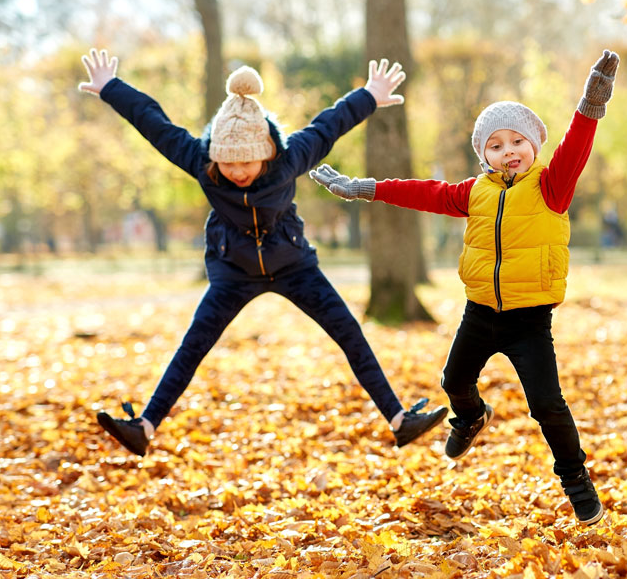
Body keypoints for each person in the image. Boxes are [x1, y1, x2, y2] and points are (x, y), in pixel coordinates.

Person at [78, 48, 448, 457]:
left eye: (247, 164)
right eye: (228, 164)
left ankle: (399, 419)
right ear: (215, 155)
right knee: (194, 343)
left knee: (348, 332)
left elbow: (329, 125)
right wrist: (111, 88)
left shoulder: (290, 159)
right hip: (232, 270)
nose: (237, 173)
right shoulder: (202, 163)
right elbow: (156, 125)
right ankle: (144, 427)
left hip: (293, 266)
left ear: (267, 151)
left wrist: (370, 94)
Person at [310, 49, 620, 524]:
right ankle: (471, 416)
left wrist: (590, 104)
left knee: (547, 405)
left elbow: (576, 147)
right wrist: (365, 187)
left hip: (528, 320)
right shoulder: (473, 192)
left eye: (517, 140)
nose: (508, 150)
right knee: (453, 381)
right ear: (484, 155)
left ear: (535, 145)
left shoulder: (551, 187)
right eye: (495, 145)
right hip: (479, 312)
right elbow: (422, 191)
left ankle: (575, 479)